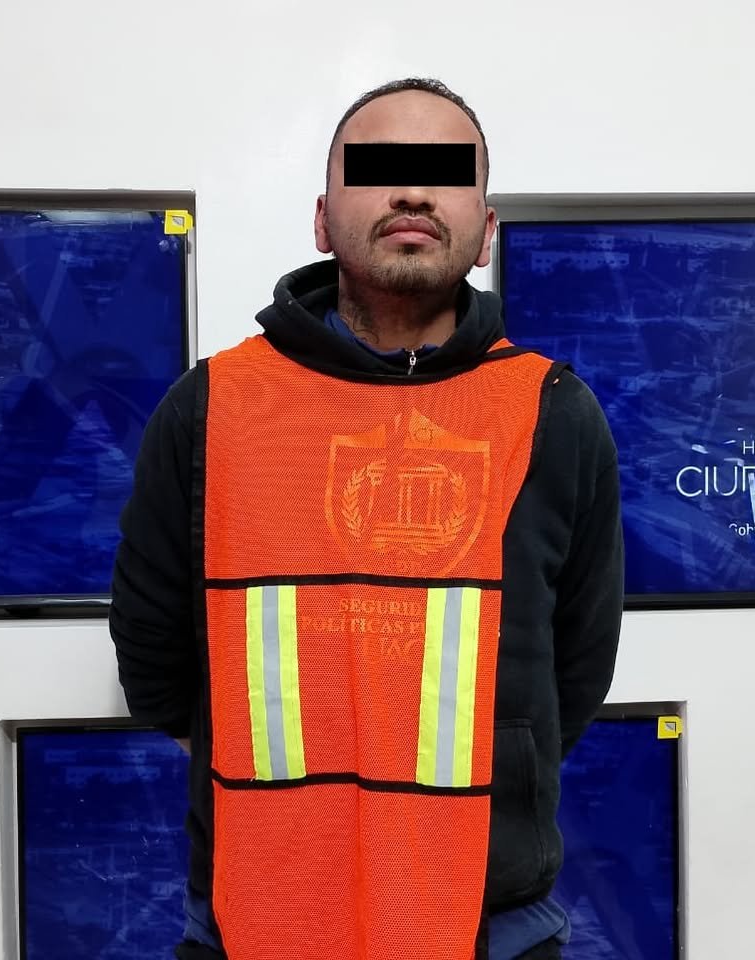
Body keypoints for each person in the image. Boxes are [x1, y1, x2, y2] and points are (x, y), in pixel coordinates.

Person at [110, 77, 623, 960]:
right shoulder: (211, 407)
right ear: (322, 221)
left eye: (446, 174)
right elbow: (155, 668)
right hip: (250, 915)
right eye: (379, 170)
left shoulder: (554, 413)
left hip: (489, 924)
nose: (413, 192)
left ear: (486, 230)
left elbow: (575, 673)